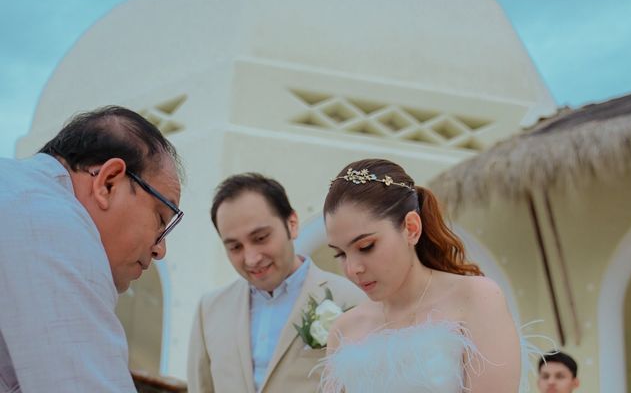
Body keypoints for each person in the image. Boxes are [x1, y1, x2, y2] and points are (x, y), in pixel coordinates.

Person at [0, 106, 183, 393]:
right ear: (108, 183)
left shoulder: (19, 194)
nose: (160, 249)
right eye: (161, 218)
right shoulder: (55, 224)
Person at [321, 158, 522, 393]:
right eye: (341, 254)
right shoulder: (344, 330)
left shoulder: (475, 298)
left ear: (412, 228)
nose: (353, 268)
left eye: (366, 246)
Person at [187, 173, 364, 393]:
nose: (251, 258)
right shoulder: (209, 309)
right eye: (235, 247)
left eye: (260, 238)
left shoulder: (352, 301)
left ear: (292, 224)